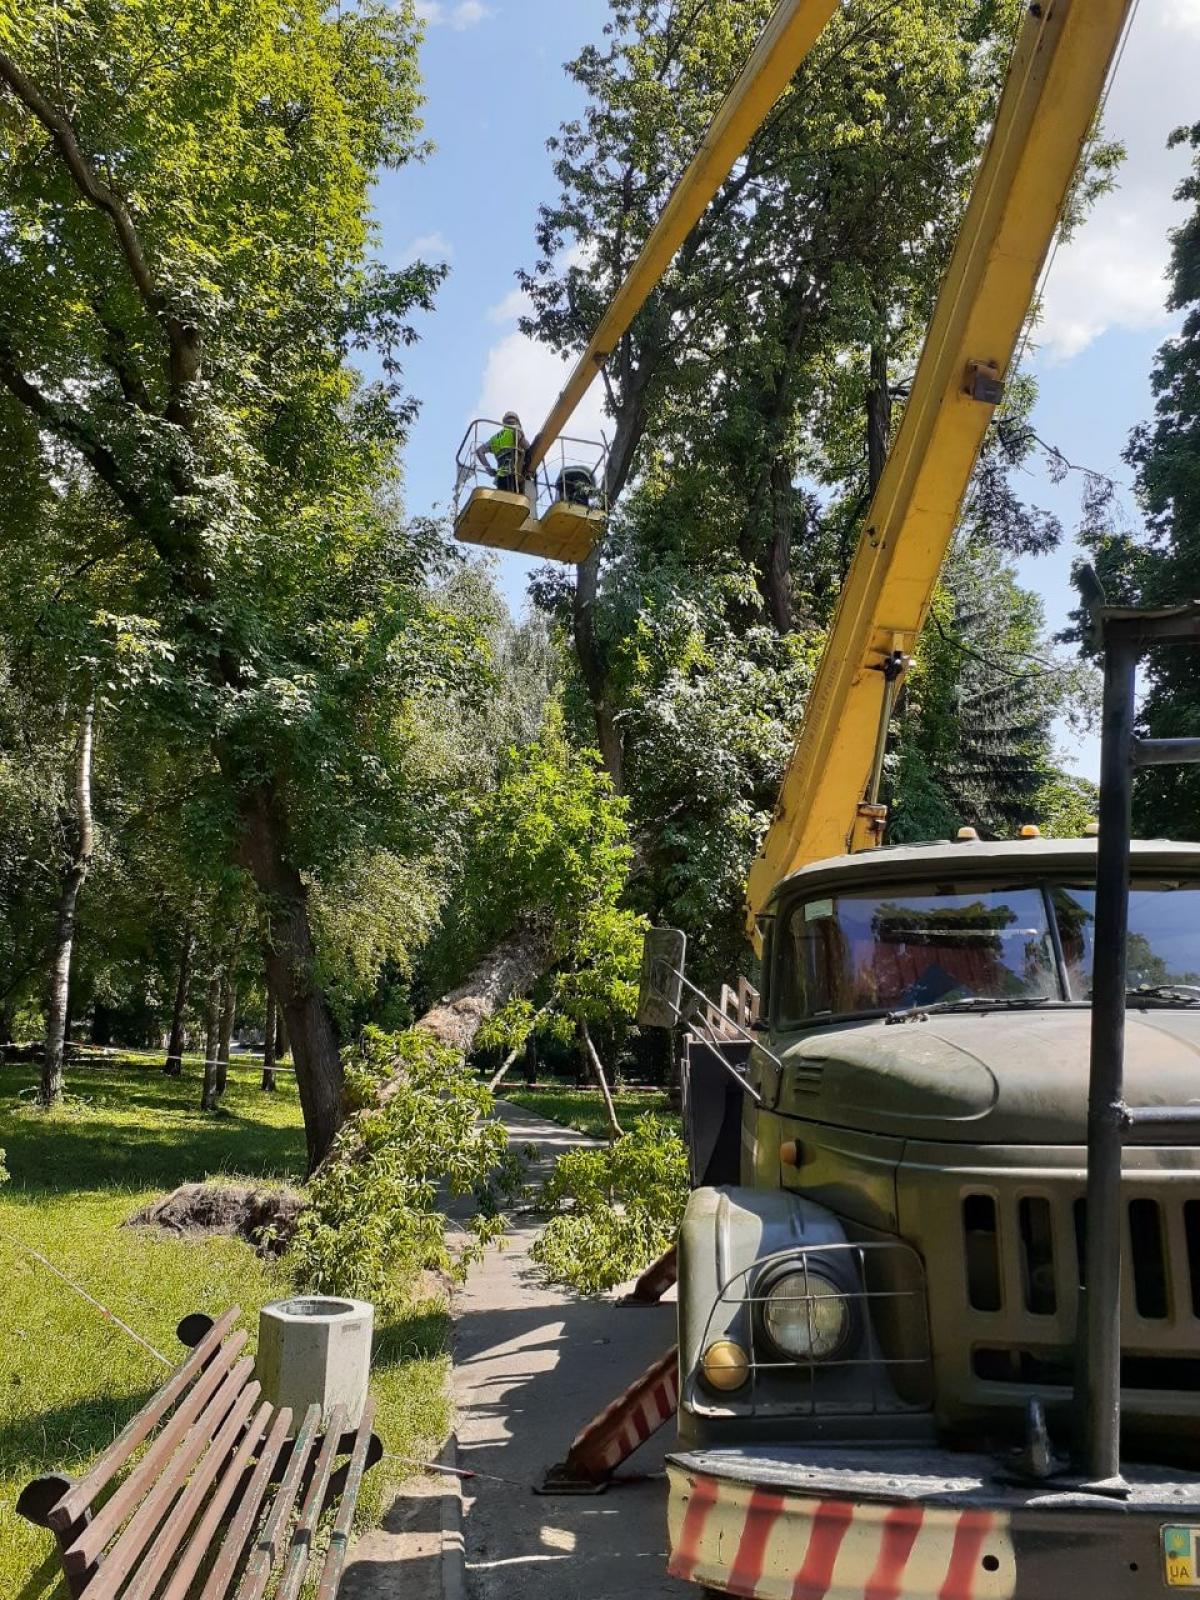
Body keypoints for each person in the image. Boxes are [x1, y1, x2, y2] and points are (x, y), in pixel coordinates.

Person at [476, 411, 529, 492]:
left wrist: (489, 469)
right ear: (517, 422)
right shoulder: (515, 431)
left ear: (504, 423)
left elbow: (479, 451)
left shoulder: (494, 438)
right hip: (514, 476)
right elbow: (528, 448)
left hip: (500, 477)